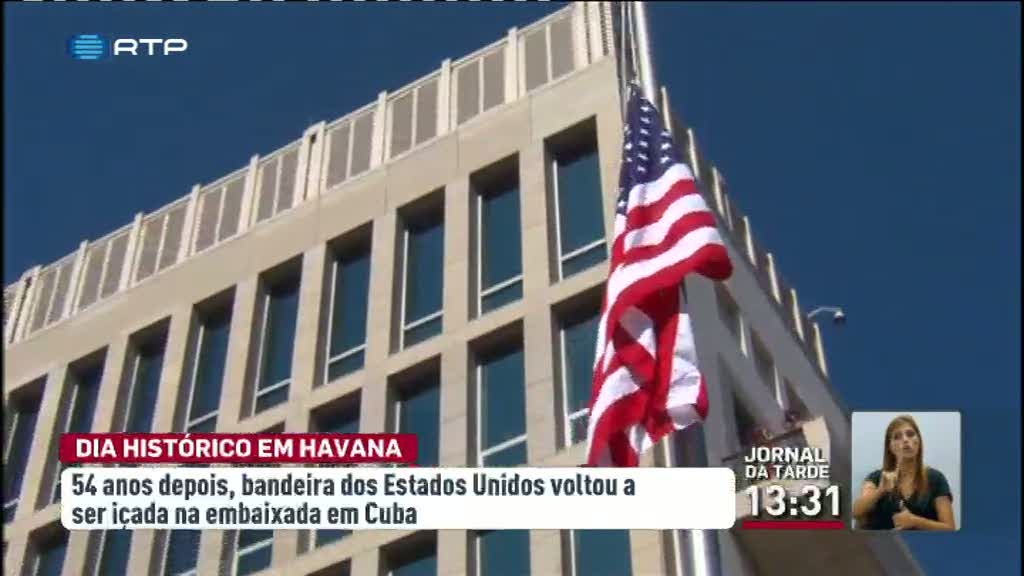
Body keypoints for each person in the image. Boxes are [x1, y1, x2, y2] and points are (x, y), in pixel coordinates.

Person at [852, 415, 956, 530]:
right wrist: (881, 490)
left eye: (910, 434)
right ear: (890, 447)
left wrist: (915, 521)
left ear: (919, 441)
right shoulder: (877, 477)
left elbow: (950, 529)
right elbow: (856, 512)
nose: (905, 440)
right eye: (897, 437)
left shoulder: (936, 478)